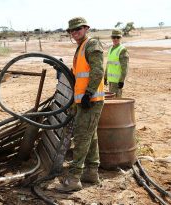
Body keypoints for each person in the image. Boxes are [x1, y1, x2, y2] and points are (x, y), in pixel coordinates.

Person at [55, 17, 104, 193]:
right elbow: (80, 76)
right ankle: (91, 172)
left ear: (86, 28)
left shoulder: (92, 45)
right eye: (72, 31)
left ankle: (74, 178)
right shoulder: (81, 48)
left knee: (82, 137)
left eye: (78, 29)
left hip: (91, 101)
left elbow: (98, 71)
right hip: (83, 100)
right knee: (91, 137)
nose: (75, 33)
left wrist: (89, 94)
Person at [104, 29, 129, 97]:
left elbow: (125, 68)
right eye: (113, 37)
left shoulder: (122, 50)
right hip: (111, 81)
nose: (115, 39)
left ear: (120, 38)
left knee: (116, 100)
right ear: (111, 38)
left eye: (117, 37)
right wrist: (105, 77)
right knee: (112, 100)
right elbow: (108, 64)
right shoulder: (110, 49)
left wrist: (121, 81)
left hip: (117, 82)